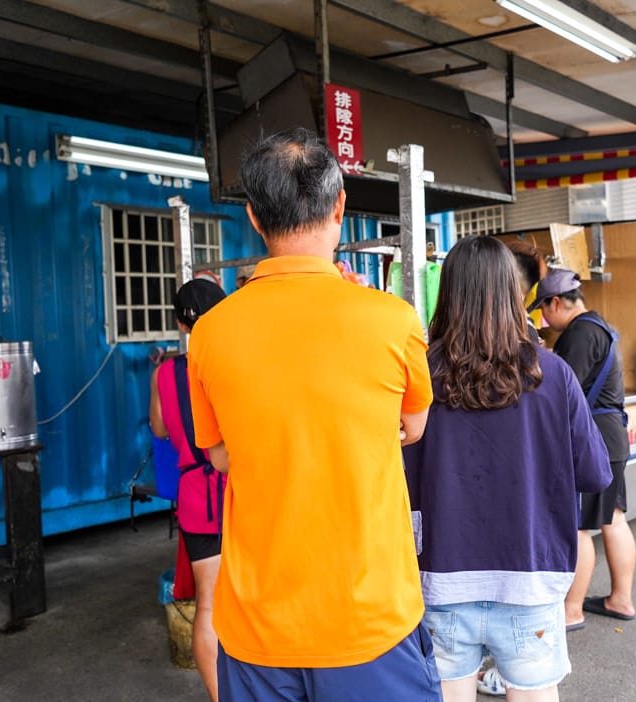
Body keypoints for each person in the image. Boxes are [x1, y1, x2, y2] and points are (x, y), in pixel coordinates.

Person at [185, 127, 440, 702]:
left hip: (256, 628)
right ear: (341, 206)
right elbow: (414, 425)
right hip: (369, 620)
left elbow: (221, 455)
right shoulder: (392, 320)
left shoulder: (209, 333)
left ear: (253, 217)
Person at [402, 236, 612, 702]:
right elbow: (596, 474)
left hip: (440, 576)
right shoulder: (552, 374)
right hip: (530, 577)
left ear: (449, 293)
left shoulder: (421, 374)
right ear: (512, 293)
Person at [529, 268, 636, 625]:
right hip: (612, 437)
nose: (543, 319)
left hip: (594, 439)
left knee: (580, 525)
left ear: (556, 302)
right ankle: (620, 599)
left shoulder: (579, 334)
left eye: (543, 310)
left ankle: (571, 610)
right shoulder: (600, 326)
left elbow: (561, 390)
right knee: (614, 520)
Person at [148, 277, 227, 702]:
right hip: (241, 490)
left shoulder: (165, 372)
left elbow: (160, 429)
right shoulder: (231, 363)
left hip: (195, 494)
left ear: (181, 323)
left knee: (209, 606)